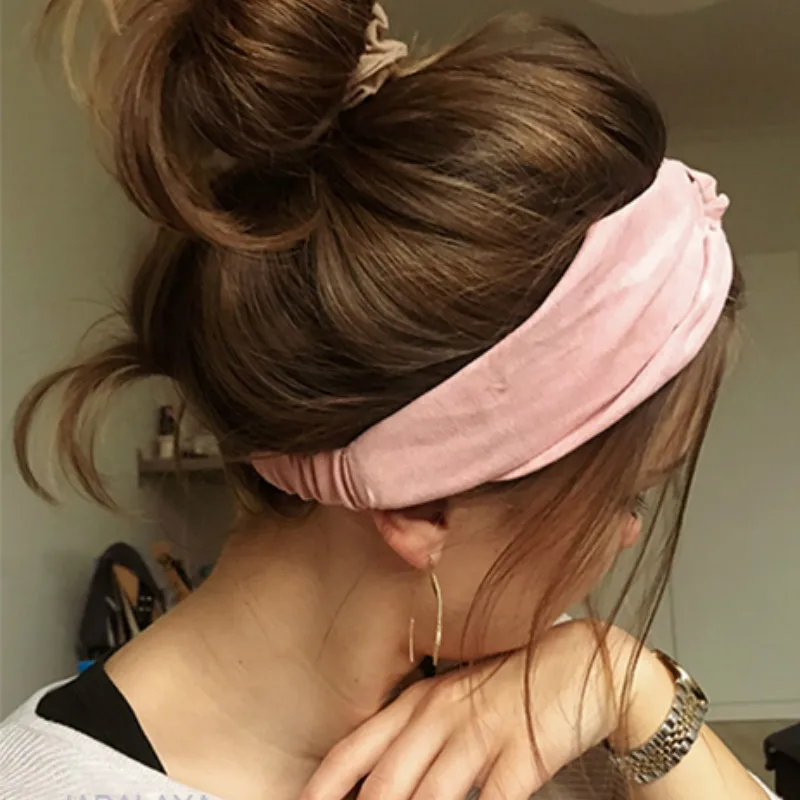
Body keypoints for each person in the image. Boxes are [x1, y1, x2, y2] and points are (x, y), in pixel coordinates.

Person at [0, 1, 780, 799]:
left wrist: (628, 684)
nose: (628, 533)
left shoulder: (553, 701)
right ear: (425, 507)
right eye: (624, 495)